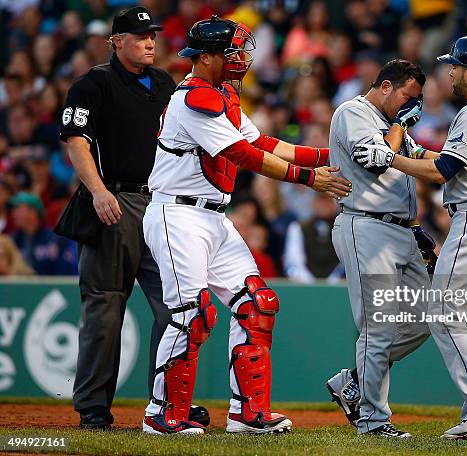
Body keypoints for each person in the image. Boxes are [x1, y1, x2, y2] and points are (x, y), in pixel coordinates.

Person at [142, 16, 350, 435]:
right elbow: (243, 156)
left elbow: (266, 143)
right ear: (206, 57)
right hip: (176, 214)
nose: (241, 58)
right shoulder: (193, 99)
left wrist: (333, 154)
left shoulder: (222, 96)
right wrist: (310, 178)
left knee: (257, 305)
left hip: (212, 215)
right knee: (192, 315)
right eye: (232, 51)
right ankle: (161, 414)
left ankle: (246, 413)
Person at [353, 36, 467, 440]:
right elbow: (456, 163)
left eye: (454, 66)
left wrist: (392, 158)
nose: (448, 73)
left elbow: (443, 174)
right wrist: (416, 152)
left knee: (442, 312)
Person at [58, 7, 209, 430]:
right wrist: (99, 190)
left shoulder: (164, 82)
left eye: (152, 35)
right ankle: (92, 408)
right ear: (116, 40)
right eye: (140, 35)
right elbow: (76, 142)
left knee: (176, 308)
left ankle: (166, 403)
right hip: (114, 202)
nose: (149, 42)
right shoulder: (94, 83)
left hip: (162, 207)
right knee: (105, 309)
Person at [325, 59, 435, 438]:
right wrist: (400, 125)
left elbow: (417, 158)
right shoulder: (353, 112)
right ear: (386, 86)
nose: (412, 105)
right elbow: (375, 161)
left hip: (402, 229)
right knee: (378, 327)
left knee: (429, 317)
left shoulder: (392, 124)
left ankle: (353, 381)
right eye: (409, 96)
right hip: (366, 224)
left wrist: (458, 161)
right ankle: (373, 420)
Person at [9, 192, 77, 275]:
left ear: (33, 212)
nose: (14, 213)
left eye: (18, 208)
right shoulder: (13, 240)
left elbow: (66, 271)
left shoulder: (55, 239)